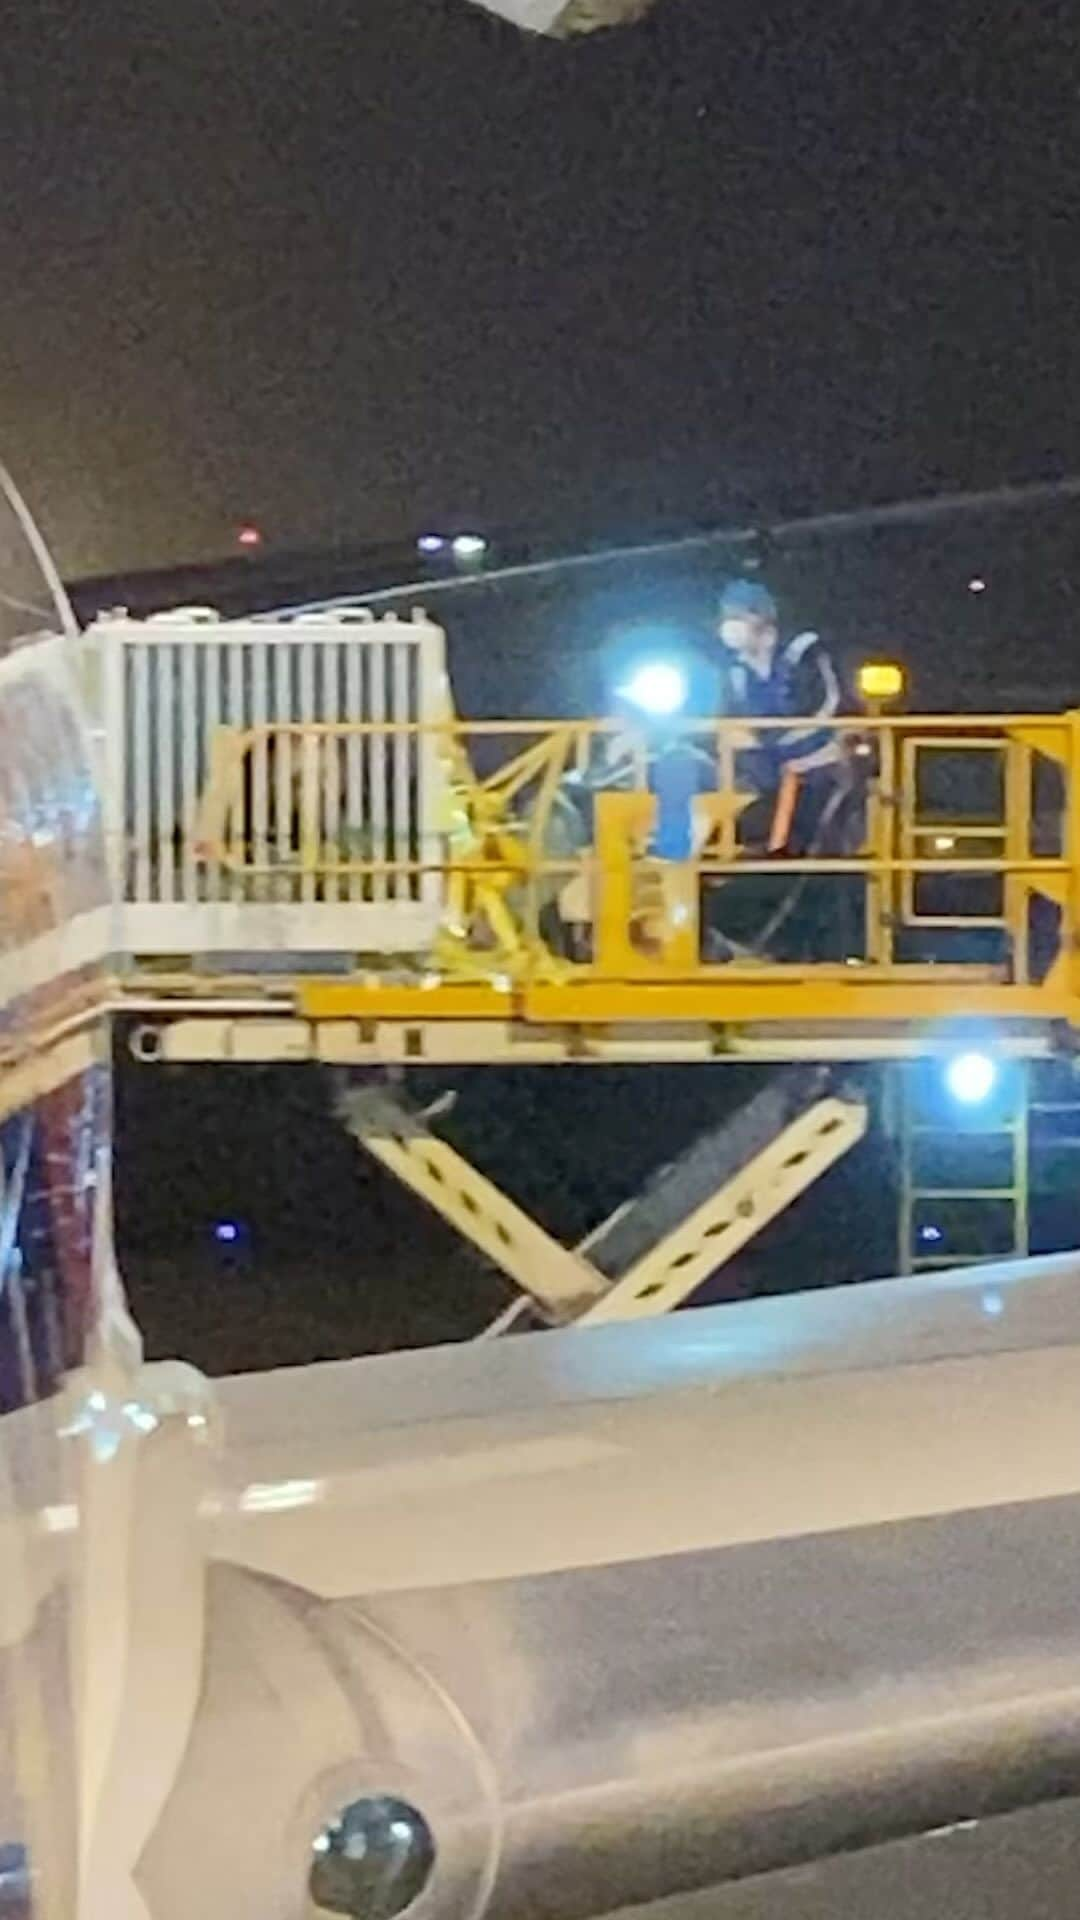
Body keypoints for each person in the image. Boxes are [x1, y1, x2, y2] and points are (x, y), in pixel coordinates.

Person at [712, 578, 861, 960]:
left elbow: (828, 709)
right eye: (725, 617)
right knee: (747, 844)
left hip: (824, 775)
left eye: (737, 616)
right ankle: (739, 932)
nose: (729, 625)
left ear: (763, 620)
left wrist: (765, 743)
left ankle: (812, 950)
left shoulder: (806, 652)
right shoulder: (738, 672)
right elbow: (735, 727)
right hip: (775, 783)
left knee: (811, 860)